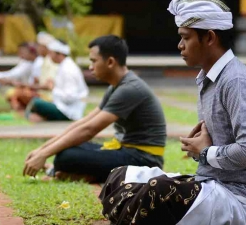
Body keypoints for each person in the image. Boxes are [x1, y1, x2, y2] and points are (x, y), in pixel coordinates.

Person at [99, 0, 246, 225]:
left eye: (185, 37)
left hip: (243, 199)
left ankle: (139, 219)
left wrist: (205, 151)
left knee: (158, 191)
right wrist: (199, 150)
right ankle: (145, 220)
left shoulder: (236, 80)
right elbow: (213, 148)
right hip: (210, 186)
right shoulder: (207, 76)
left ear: (210, 37)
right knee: (121, 176)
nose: (180, 45)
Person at [23, 35, 167, 183]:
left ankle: (75, 174)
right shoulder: (116, 86)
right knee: (67, 148)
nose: (90, 67)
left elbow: (89, 130)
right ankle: (77, 174)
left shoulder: (130, 88)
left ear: (110, 62)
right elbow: (82, 123)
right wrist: (41, 151)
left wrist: (44, 154)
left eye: (93, 61)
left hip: (144, 160)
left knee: (67, 157)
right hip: (126, 151)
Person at [26, 39, 88, 122]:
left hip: (69, 112)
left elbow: (70, 97)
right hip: (62, 106)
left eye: (51, 53)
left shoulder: (68, 70)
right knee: (36, 100)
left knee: (36, 103)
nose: (49, 56)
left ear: (60, 54)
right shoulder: (63, 66)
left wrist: (52, 88)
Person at [7, 33, 59, 111]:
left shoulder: (51, 62)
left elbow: (49, 86)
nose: (37, 48)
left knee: (18, 94)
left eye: (39, 46)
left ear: (46, 48)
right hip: (41, 93)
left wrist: (26, 86)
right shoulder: (43, 60)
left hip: (49, 97)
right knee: (14, 92)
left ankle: (23, 112)